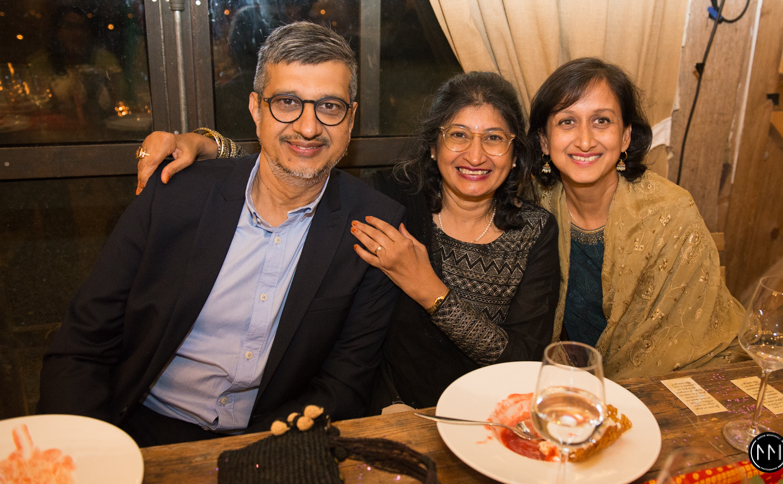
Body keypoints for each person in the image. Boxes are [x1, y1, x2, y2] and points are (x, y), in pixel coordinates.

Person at [38, 22, 405, 447]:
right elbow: (84, 343)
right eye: (287, 102)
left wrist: (257, 457)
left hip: (274, 438)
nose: (308, 127)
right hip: (142, 428)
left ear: (351, 118)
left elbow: (344, 385)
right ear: (256, 109)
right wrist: (86, 452)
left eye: (329, 106)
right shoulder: (176, 195)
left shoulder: (373, 227)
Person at [136, 71, 561, 411]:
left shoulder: (534, 230)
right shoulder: (390, 202)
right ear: (434, 146)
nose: (475, 155)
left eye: (494, 138)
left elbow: (522, 359)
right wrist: (205, 145)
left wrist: (430, 291)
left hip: (492, 413)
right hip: (391, 411)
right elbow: (300, 168)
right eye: (459, 135)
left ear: (515, 152)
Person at [528, 57, 745, 380]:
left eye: (601, 121)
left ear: (626, 137)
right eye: (567, 121)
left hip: (689, 379)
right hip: (575, 379)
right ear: (544, 141)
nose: (585, 140)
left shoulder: (671, 212)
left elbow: (673, 344)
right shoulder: (534, 205)